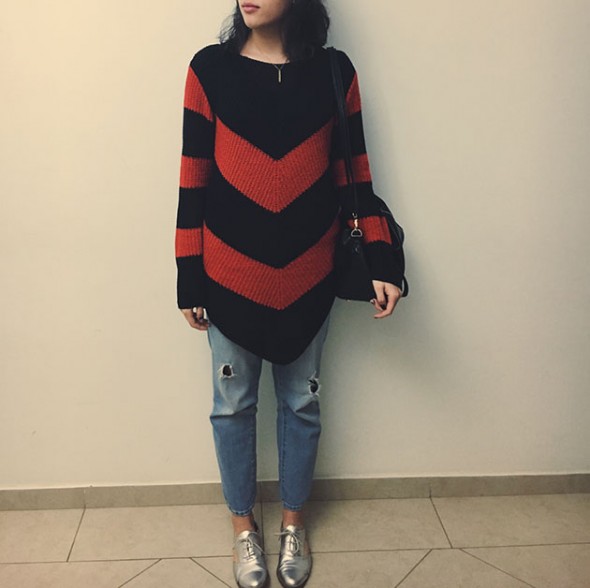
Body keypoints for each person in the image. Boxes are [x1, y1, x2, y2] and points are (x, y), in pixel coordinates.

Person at [175, 1, 403, 586]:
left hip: (310, 272)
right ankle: (243, 529)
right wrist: (188, 274)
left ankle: (294, 524)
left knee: (302, 403)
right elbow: (193, 177)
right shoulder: (209, 70)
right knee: (233, 406)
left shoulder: (334, 72)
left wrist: (382, 260)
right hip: (228, 275)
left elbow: (355, 174)